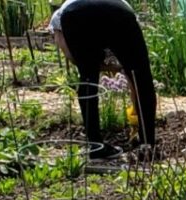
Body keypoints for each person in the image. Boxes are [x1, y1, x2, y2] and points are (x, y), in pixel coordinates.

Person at [49, 0, 158, 162]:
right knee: (141, 76)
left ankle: (96, 147)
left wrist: (90, 65)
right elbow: (133, 78)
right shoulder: (122, 7)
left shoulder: (59, 17)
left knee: (87, 79)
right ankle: (147, 145)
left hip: (76, 16)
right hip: (118, 13)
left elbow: (71, 56)